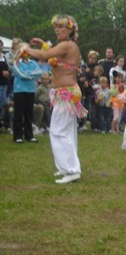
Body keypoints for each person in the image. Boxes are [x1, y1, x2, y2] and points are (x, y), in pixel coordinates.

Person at [25, 14, 87, 184]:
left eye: (61, 27)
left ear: (70, 30)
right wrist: (43, 44)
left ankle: (72, 170)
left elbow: (45, 55)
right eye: (56, 27)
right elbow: (53, 54)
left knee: (58, 131)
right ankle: (67, 167)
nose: (57, 30)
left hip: (66, 92)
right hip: (65, 92)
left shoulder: (67, 45)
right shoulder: (66, 45)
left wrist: (26, 49)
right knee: (66, 131)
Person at [9, 39, 42, 143]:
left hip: (31, 90)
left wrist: (29, 74)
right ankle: (17, 136)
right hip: (20, 90)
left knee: (29, 114)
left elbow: (39, 72)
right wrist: (31, 75)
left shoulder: (32, 62)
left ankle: (29, 135)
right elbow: (21, 74)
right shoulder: (16, 63)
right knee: (19, 113)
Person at [0, 38, 10, 131]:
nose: (1, 47)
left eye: (1, 45)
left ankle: (2, 123)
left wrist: (8, 73)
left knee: (3, 104)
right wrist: (2, 73)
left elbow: (8, 68)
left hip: (4, 83)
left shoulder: (3, 57)